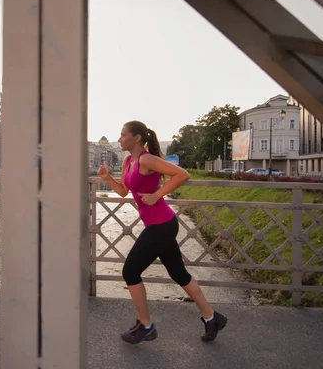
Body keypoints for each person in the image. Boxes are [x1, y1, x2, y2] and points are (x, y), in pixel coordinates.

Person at [97, 120, 227, 344]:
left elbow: (182, 174)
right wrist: (107, 178)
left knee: (130, 271)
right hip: (158, 224)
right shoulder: (129, 161)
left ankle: (145, 325)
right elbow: (122, 191)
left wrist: (157, 195)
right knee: (179, 274)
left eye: (122, 135)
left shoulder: (147, 159)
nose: (119, 139)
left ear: (136, 138)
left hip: (161, 224)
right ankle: (212, 318)